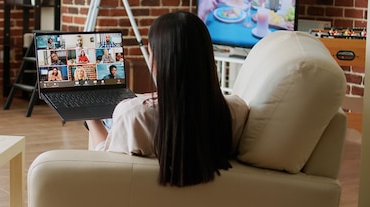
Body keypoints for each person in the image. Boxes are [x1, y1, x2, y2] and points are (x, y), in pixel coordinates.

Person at [86, 11, 249, 187]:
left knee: (102, 120)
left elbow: (104, 161)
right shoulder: (237, 110)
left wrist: (91, 119)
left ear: (158, 62)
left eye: (150, 53)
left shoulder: (133, 115)